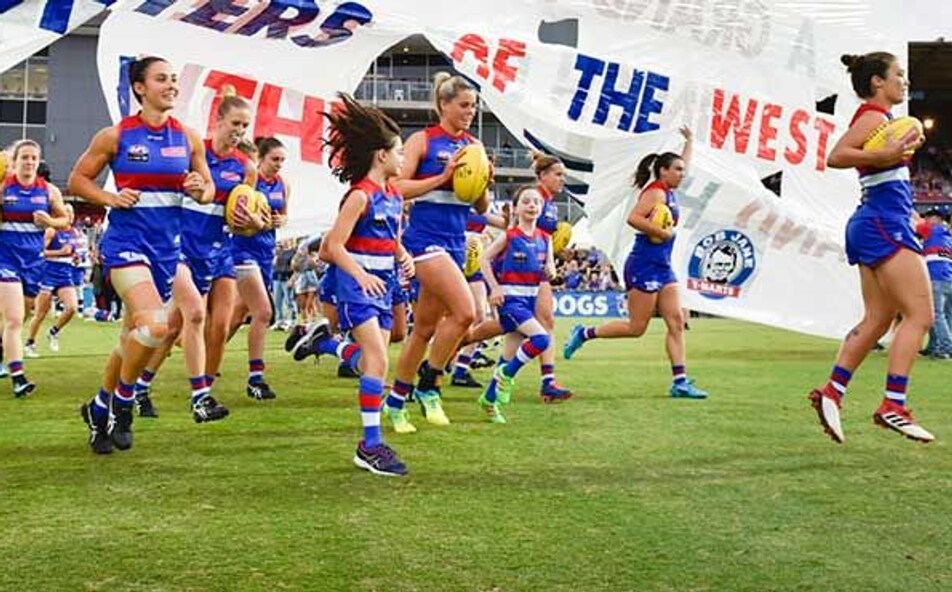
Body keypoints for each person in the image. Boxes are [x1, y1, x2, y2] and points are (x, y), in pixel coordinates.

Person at [70, 56, 215, 454]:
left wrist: (199, 188)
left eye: (173, 79)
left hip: (166, 250)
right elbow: (78, 179)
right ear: (140, 87)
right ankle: (123, 401)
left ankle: (99, 408)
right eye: (161, 79)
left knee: (131, 340)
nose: (171, 85)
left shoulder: (188, 138)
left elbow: (207, 190)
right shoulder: (115, 135)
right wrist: (110, 198)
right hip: (126, 244)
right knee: (155, 325)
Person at [808, 52, 934, 444]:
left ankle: (832, 393)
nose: (905, 81)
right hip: (882, 223)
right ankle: (893, 404)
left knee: (879, 318)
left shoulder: (883, 120)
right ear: (878, 81)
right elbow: (836, 156)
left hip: (875, 221)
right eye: (899, 74)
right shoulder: (874, 116)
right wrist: (885, 154)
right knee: (920, 316)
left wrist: (894, 154)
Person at [131, 86, 256, 421]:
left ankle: (142, 387)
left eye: (245, 125)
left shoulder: (246, 168)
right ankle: (200, 398)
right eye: (235, 123)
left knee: (208, 327)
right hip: (181, 247)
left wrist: (256, 221)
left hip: (220, 251)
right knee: (196, 315)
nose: (239, 131)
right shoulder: (190, 151)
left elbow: (248, 221)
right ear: (219, 120)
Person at [563, 127, 709, 400]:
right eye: (677, 170)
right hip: (643, 264)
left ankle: (680, 382)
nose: (682, 173)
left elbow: (684, 165)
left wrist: (690, 141)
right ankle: (584, 333)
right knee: (636, 328)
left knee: (676, 322)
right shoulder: (655, 193)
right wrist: (663, 232)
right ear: (663, 171)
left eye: (682, 169)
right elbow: (634, 218)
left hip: (662, 265)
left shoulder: (669, 190)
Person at [382, 73, 490, 433]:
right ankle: (430, 385)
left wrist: (482, 183)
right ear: (444, 105)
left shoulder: (474, 145)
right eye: (464, 105)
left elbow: (478, 206)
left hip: (456, 242)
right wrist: (441, 178)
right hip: (425, 240)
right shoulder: (423, 140)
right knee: (466, 312)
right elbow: (396, 186)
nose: (470, 111)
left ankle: (396, 401)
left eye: (474, 106)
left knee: (425, 329)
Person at [320, 93, 411, 476]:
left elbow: (389, 238)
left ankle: (327, 344)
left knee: (380, 355)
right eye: (399, 151)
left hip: (384, 285)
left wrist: (402, 255)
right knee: (379, 360)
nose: (403, 158)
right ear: (381, 155)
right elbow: (332, 247)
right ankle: (370, 445)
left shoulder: (394, 195)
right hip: (358, 287)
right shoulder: (360, 196)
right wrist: (359, 275)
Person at [476, 185, 555, 423]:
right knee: (541, 339)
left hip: (529, 301)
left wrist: (551, 271)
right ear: (516, 208)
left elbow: (549, 269)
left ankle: (489, 400)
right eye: (526, 201)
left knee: (508, 357)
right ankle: (507, 376)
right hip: (511, 301)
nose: (532, 205)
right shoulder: (509, 236)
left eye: (537, 202)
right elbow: (483, 259)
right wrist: (495, 287)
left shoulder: (546, 239)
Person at [0, 139, 70, 396]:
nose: (29, 162)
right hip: (5, 259)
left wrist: (50, 220)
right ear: (15, 161)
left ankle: (2, 346)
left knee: (25, 314)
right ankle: (18, 378)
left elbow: (65, 220)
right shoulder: (4, 187)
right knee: (14, 318)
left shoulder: (49, 191)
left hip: (33, 262)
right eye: (24, 157)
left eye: (33, 158)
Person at [230, 137, 290, 400]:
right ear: (261, 158)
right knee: (264, 312)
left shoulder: (283, 184)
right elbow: (237, 219)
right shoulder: (248, 183)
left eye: (282, 160)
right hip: (243, 250)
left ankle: (208, 356)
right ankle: (256, 378)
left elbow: (284, 215)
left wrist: (280, 220)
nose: (279, 164)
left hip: (266, 252)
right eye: (274, 159)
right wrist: (258, 223)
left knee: (236, 315)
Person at [25, 204, 80, 358]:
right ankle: (30, 343)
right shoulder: (51, 230)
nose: (70, 216)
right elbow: (38, 252)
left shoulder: (74, 232)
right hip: (47, 273)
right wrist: (60, 252)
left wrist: (74, 257)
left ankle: (53, 331)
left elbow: (71, 252)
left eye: (72, 212)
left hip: (65, 274)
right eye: (67, 212)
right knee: (41, 313)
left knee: (72, 307)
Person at [916, 208, 952, 359]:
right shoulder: (948, 236)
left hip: (935, 277)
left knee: (936, 314)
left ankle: (946, 348)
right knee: (946, 315)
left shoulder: (930, 230)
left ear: (937, 219)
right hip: (948, 278)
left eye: (928, 217)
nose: (926, 220)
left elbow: (915, 226)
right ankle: (934, 346)